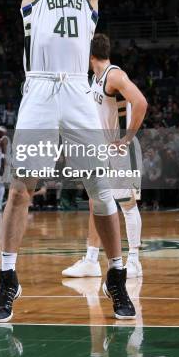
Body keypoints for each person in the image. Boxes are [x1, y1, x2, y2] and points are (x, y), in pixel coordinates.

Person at [0, 0, 135, 323]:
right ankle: (7, 277)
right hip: (38, 92)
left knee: (101, 192)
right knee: (20, 188)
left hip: (77, 91)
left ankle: (116, 272)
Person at [62, 33, 147, 279]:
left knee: (127, 205)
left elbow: (140, 102)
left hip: (120, 149)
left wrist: (127, 139)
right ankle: (90, 260)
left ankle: (134, 261)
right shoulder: (94, 79)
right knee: (96, 202)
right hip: (101, 148)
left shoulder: (114, 75)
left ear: (89, 55)